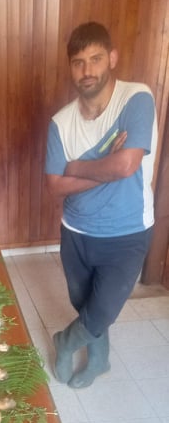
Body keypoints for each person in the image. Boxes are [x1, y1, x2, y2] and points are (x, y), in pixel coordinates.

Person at [45, 21, 158, 388]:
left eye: (95, 59)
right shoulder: (60, 123)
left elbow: (125, 166)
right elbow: (54, 185)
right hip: (75, 232)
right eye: (78, 62)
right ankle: (99, 361)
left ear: (112, 58)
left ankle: (65, 342)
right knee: (85, 305)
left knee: (101, 312)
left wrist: (75, 167)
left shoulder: (136, 98)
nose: (87, 70)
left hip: (127, 233)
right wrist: (104, 167)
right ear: (71, 68)